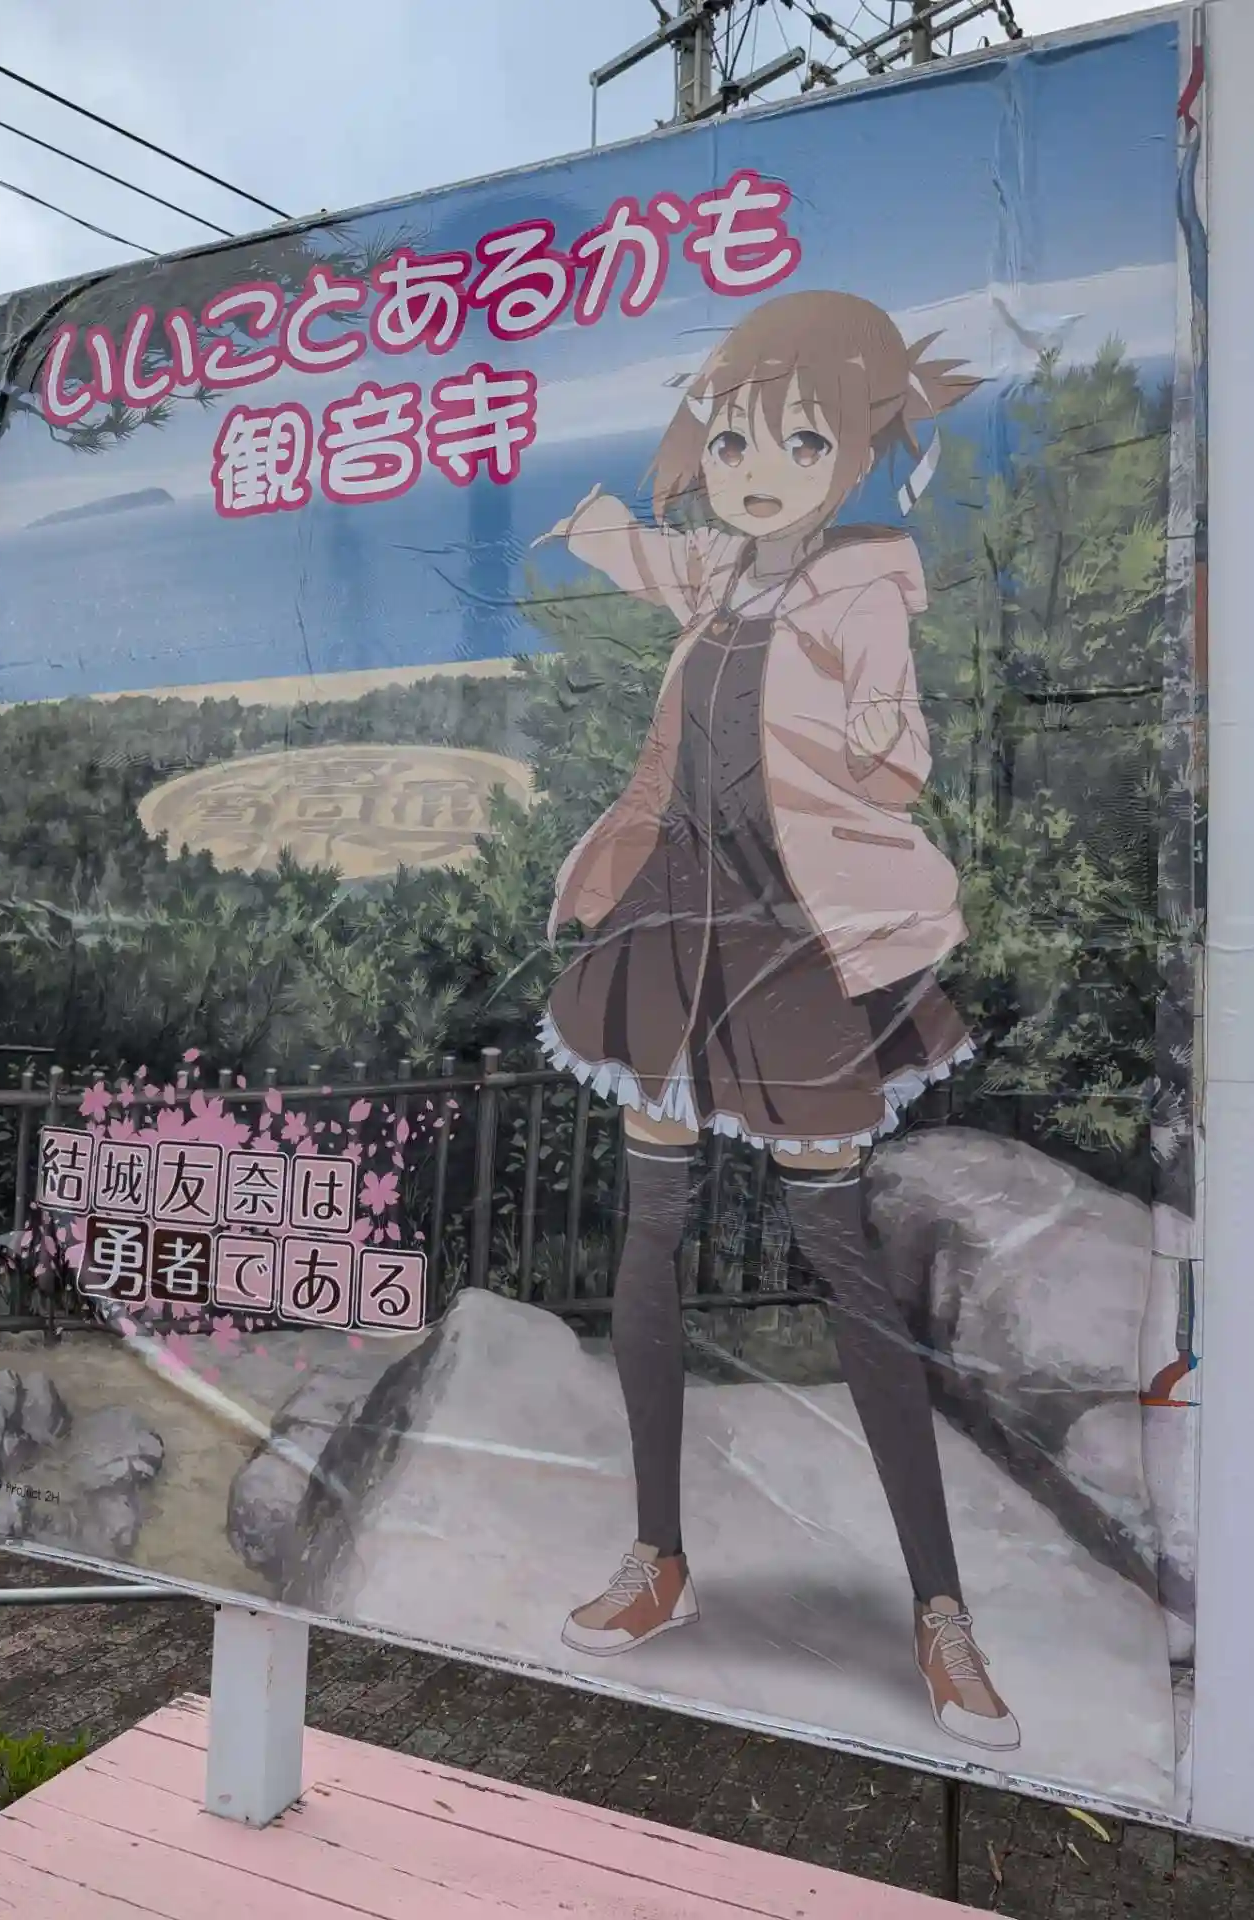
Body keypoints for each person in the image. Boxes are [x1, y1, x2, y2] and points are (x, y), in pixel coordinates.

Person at [535, 288, 1019, 1753]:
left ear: (856, 453)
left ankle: (942, 1611)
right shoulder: (716, 580)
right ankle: (657, 1556)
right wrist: (592, 531)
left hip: (793, 948)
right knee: (650, 1239)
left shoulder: (862, 588)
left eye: (805, 440)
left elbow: (895, 752)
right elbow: (655, 562)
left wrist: (880, 741)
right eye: (739, 435)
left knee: (841, 1261)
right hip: (670, 935)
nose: (762, 466)